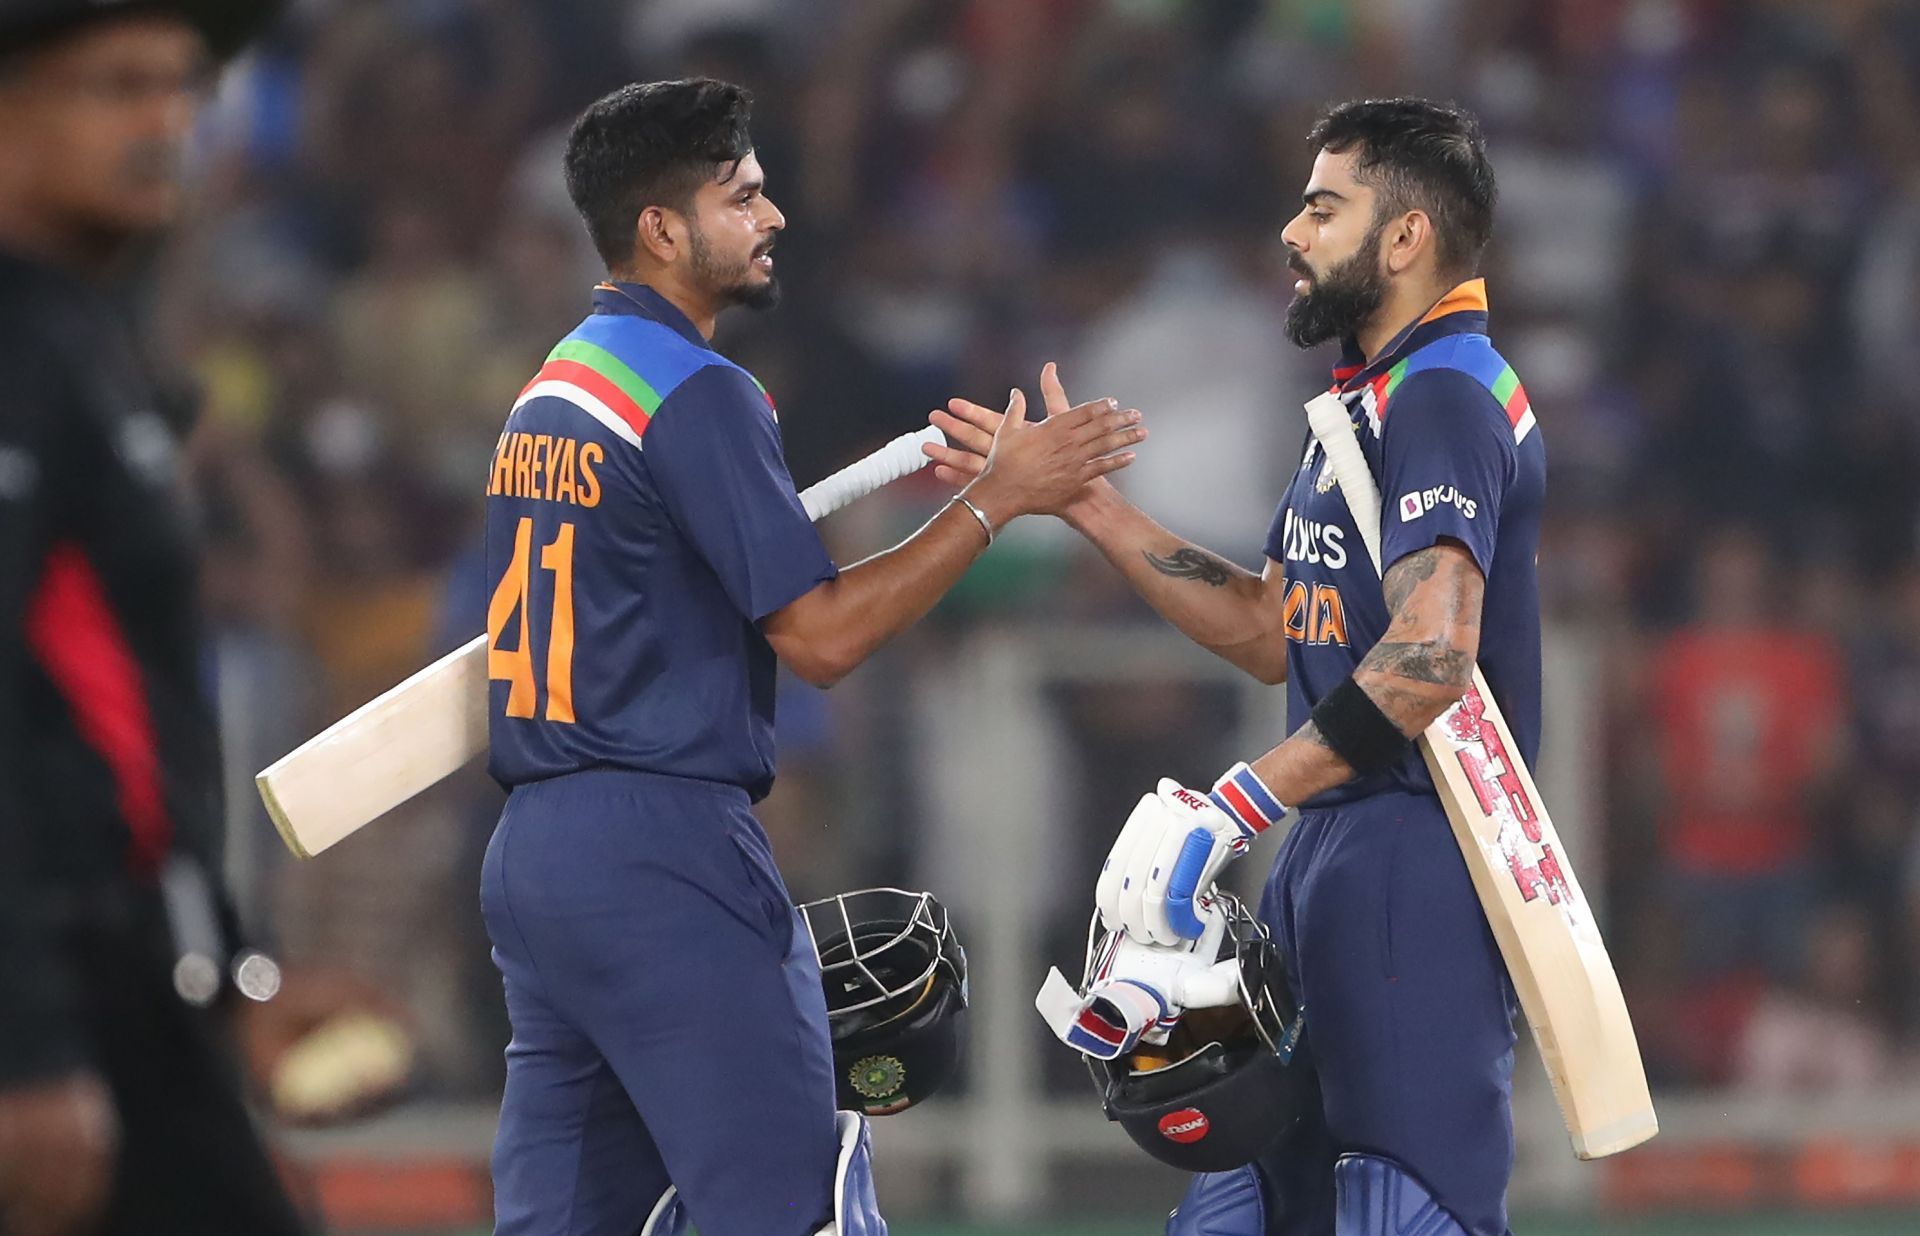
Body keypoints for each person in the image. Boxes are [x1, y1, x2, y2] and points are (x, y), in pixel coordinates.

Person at [478, 77, 1143, 1236]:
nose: (774, 214)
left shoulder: (552, 392)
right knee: (797, 1207)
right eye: (741, 195)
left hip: (536, 856)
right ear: (662, 229)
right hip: (664, 847)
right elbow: (825, 636)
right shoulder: (696, 392)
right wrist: (999, 502)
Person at [933, 99, 1539, 1236]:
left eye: (1323, 208)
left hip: (1414, 867)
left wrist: (1237, 802)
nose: (1292, 235)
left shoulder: (1446, 393)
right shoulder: (1361, 404)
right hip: (1330, 857)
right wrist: (1096, 511)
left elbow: (1429, 658)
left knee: (1396, 1212)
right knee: (1241, 1205)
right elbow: (1276, 627)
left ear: (1403, 239)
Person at [0, 2, 311, 1234]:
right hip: (55, 1001)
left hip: (130, 985)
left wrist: (229, 970)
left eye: (182, 87)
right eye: (115, 87)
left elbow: (130, 717)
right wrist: (24, 1040)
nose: (163, 123)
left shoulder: (87, 339)